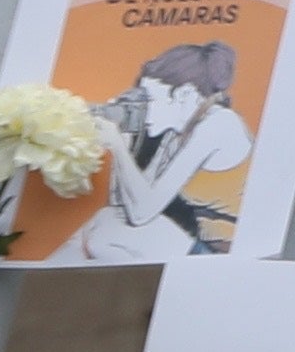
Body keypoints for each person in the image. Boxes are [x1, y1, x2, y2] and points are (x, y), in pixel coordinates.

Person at [55, 38, 250, 263]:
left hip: (221, 257)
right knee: (104, 221)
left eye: (149, 99)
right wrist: (126, 143)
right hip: (196, 247)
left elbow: (141, 213)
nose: (145, 110)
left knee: (104, 235)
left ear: (184, 95)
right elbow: (130, 204)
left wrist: (118, 148)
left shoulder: (218, 124)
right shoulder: (180, 129)